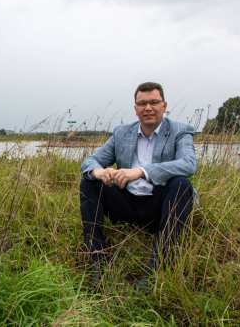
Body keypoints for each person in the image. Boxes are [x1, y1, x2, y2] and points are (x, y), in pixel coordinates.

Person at [80, 82, 196, 286]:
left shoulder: (180, 131)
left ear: (164, 105)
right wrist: (99, 171)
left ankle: (160, 266)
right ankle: (97, 258)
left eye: (154, 102)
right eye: (142, 103)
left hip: (159, 206)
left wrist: (142, 172)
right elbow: (90, 161)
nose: (148, 108)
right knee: (89, 181)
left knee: (181, 184)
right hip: (127, 203)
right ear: (135, 109)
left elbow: (188, 164)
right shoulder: (121, 133)